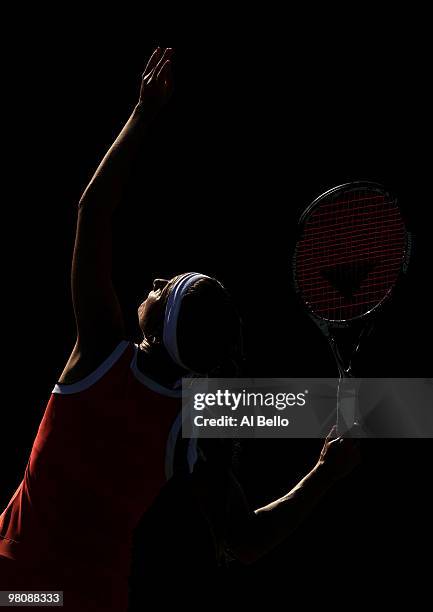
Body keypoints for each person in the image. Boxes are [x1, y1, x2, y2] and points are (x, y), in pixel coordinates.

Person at [0, 48, 359, 611]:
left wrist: (143, 112)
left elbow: (93, 211)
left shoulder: (101, 355)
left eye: (163, 288)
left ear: (159, 326)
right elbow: (245, 542)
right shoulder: (195, 422)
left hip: (20, 589)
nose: (156, 280)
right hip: (93, 600)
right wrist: (324, 473)